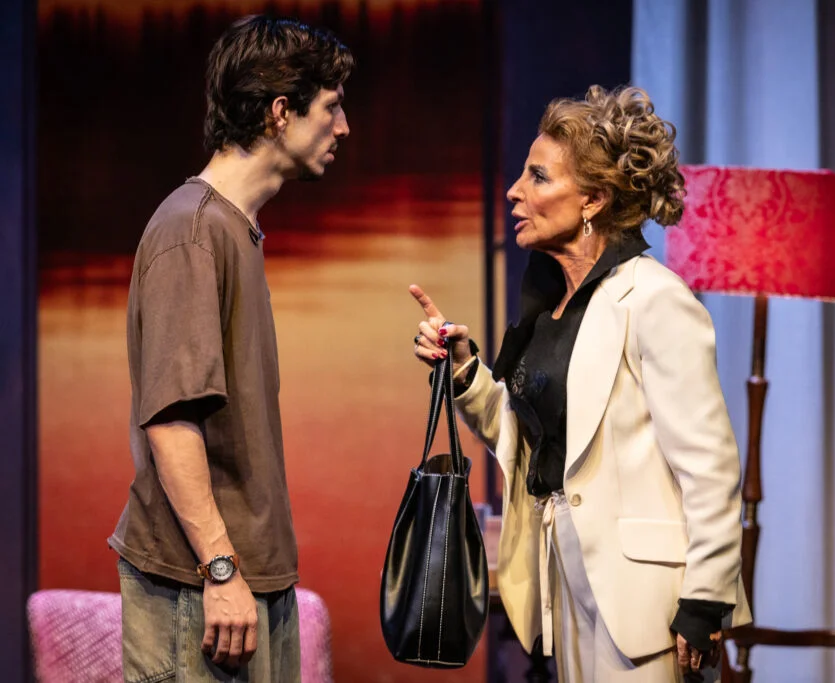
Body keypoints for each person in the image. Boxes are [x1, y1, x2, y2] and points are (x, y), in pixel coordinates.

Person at [410, 85, 750, 682]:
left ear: (593, 198)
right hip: (563, 576)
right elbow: (528, 442)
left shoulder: (653, 299)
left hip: (644, 596)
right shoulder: (551, 307)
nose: (515, 191)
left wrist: (705, 599)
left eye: (538, 177)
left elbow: (710, 466)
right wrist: (463, 368)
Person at [108, 15, 352, 682]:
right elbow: (170, 419)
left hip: (246, 581)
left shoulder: (231, 228)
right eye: (331, 107)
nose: (343, 127)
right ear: (280, 112)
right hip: (204, 589)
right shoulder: (191, 232)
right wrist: (220, 569)